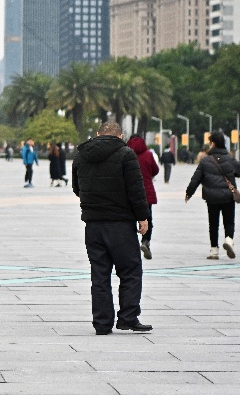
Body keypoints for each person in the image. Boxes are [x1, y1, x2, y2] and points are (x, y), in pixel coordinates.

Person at [72, 121, 152, 335]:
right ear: (120, 135)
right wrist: (143, 217)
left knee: (99, 274)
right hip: (120, 223)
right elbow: (136, 189)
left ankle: (102, 322)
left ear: (98, 134)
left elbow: (76, 188)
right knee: (130, 270)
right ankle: (128, 317)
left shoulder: (81, 155)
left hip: (93, 224)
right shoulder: (126, 154)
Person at [185, 132, 240, 260]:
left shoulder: (206, 161)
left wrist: (189, 193)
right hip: (228, 196)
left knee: (213, 224)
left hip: (211, 197)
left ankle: (214, 251)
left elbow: (196, 178)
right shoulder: (230, 159)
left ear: (213, 143)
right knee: (229, 221)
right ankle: (229, 240)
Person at [127, 135, 159, 259]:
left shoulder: (126, 154)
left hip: (129, 192)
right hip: (146, 192)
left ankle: (131, 244)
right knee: (148, 218)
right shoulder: (148, 154)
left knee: (130, 219)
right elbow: (155, 170)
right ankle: (145, 241)